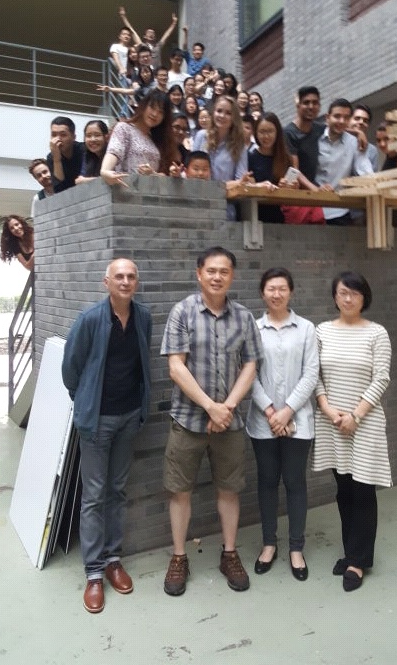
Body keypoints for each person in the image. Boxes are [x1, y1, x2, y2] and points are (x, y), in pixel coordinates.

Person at [161, 246, 263, 596]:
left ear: (232, 276)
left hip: (229, 423)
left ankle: (229, 553)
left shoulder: (244, 317)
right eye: (211, 271)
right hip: (187, 420)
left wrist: (227, 408)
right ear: (199, 274)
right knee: (180, 491)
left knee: (229, 490)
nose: (217, 277)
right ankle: (179, 557)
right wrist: (210, 407)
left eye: (224, 271)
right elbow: (176, 367)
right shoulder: (182, 312)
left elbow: (251, 365)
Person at [62, 258, 152, 613]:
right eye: (119, 277)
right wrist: (83, 400)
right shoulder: (89, 320)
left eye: (131, 276)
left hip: (129, 417)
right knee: (94, 495)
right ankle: (94, 573)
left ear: (136, 282)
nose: (125, 281)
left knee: (117, 490)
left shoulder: (143, 317)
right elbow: (70, 369)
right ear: (107, 282)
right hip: (97, 421)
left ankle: (114, 560)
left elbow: (143, 362)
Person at [313, 271, 392, 592]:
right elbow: (315, 375)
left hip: (365, 423)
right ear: (335, 296)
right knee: (344, 489)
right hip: (332, 422)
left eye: (354, 293)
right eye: (342, 292)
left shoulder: (377, 333)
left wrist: (356, 415)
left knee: (363, 490)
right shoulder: (321, 331)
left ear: (364, 297)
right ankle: (351, 553)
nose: (348, 298)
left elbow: (381, 377)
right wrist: (328, 409)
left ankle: (358, 561)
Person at [246, 268, 318, 580]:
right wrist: (270, 411)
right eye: (271, 289)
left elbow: (311, 373)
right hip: (263, 421)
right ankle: (269, 544)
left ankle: (296, 548)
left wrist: (287, 411)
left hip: (297, 420)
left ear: (291, 292)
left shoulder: (306, 328)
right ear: (263, 293)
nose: (276, 294)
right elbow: (248, 374)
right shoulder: (253, 328)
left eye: (282, 289)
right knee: (267, 482)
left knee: (295, 482)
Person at [314, 99, 373, 224]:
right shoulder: (314, 138)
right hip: (312, 207)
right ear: (327, 118)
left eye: (346, 118)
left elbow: (366, 172)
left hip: (340, 211)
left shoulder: (354, 143)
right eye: (337, 116)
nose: (341, 121)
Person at [100, 89, 174, 184]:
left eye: (161, 112)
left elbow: (163, 175)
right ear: (144, 106)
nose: (155, 114)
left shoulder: (159, 140)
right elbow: (114, 152)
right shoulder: (124, 128)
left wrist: (153, 174)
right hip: (125, 188)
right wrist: (105, 170)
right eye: (152, 107)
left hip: (150, 191)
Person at [193, 95, 248, 220]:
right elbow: (191, 170)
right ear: (213, 113)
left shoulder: (240, 146)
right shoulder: (201, 136)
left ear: (234, 118)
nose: (222, 116)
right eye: (219, 111)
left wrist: (216, 188)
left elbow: (240, 182)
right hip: (198, 203)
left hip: (224, 208)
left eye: (228, 113)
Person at [284, 86, 324, 183]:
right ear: (298, 105)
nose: (311, 107)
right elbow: (294, 170)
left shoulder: (321, 129)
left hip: (323, 187)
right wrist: (315, 189)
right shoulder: (288, 133)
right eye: (306, 103)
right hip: (299, 189)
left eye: (315, 103)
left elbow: (338, 128)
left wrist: (358, 133)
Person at [47, 116, 84, 189]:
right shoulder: (51, 157)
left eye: (63, 135)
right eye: (54, 135)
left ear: (73, 137)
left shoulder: (84, 150)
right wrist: (57, 160)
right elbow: (59, 189)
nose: (58, 139)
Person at [349, 105, 379, 171]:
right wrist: (357, 132)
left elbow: (373, 175)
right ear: (348, 120)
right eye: (357, 118)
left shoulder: (372, 150)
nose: (361, 122)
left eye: (365, 121)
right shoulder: (338, 140)